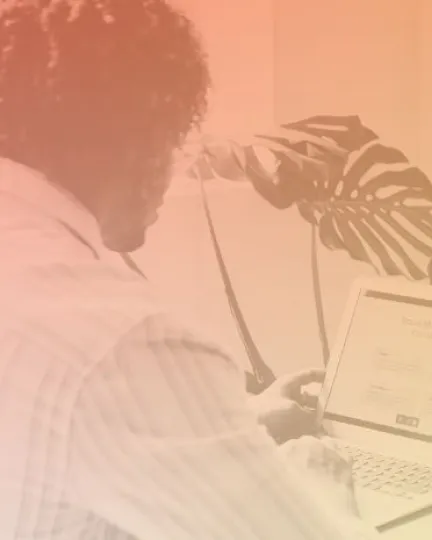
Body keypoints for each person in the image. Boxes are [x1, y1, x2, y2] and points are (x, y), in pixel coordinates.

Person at [0, 1, 375, 538]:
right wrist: (322, 485)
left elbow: (55, 442)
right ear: (134, 141)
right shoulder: (124, 341)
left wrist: (227, 427)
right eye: (178, 139)